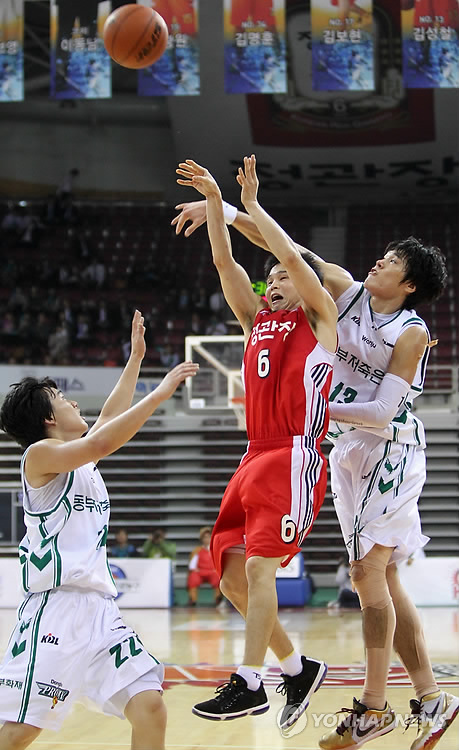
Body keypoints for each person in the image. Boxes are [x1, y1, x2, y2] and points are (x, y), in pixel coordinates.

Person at [172, 199, 458, 750]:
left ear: (411, 285)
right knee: (382, 581)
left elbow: (383, 412)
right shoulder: (345, 291)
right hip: (346, 448)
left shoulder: (411, 331)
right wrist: (226, 212)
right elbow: (283, 249)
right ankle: (429, 696)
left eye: (392, 261)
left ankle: (373, 709)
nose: (378, 262)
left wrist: (314, 405)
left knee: (368, 576)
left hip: (388, 447)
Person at [175, 155, 337, 729]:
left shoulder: (320, 321)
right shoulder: (255, 322)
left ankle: (250, 682)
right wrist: (218, 204)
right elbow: (224, 262)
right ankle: (294, 669)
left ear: (307, 286)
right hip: (253, 454)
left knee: (264, 570)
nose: (274, 283)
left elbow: (291, 256)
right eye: (269, 281)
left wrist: (253, 206)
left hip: (296, 451)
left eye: (284, 278)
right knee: (234, 576)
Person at [0, 309, 198, 750]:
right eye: (63, 400)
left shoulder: (78, 457)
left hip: (100, 613)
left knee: (149, 703)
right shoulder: (39, 457)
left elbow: (110, 417)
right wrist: (161, 391)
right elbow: (104, 439)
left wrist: (135, 360)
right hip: (56, 611)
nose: (73, 403)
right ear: (48, 419)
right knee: (18, 734)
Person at [187, 527, 222, 606]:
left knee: (217, 577)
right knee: (193, 577)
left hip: (212, 571)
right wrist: (194, 569)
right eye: (205, 537)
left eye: (208, 537)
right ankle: (193, 600)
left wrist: (217, 569)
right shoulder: (197, 550)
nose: (207, 539)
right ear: (202, 539)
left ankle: (218, 599)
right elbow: (192, 564)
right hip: (200, 571)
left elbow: (219, 562)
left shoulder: (215, 549)